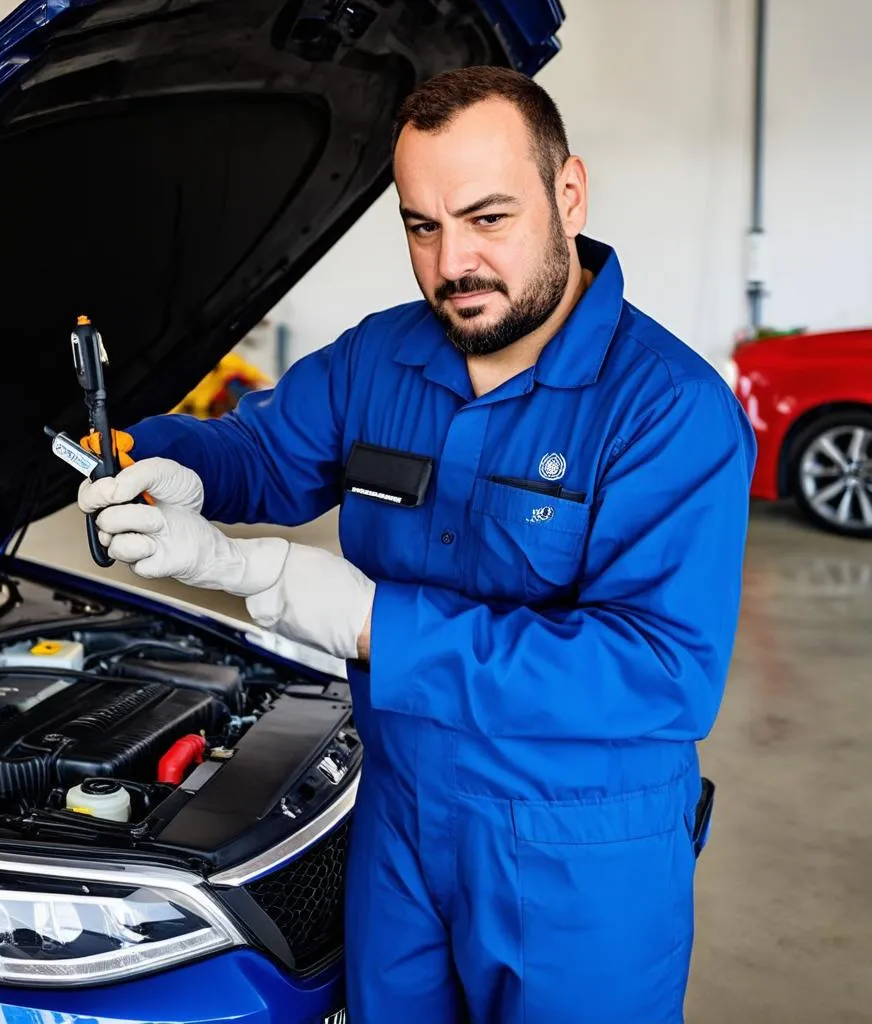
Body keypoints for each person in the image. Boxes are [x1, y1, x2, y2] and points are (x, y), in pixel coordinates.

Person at [78, 66, 756, 1023]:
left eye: (488, 219)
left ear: (569, 194)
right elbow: (261, 453)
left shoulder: (670, 412)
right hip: (398, 814)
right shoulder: (380, 357)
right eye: (422, 226)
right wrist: (169, 459)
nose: (453, 266)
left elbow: (661, 672)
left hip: (583, 851)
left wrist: (373, 625)